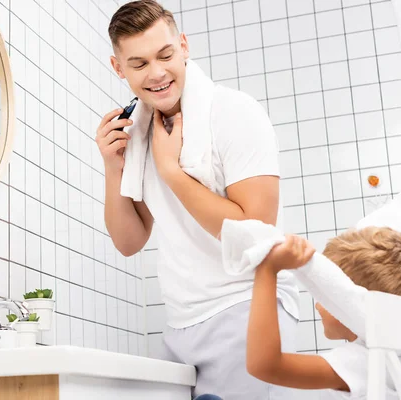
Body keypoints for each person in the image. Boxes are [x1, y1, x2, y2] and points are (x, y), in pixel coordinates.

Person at [96, 1, 300, 398]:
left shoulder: (234, 113)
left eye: (166, 55)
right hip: (180, 324)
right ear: (118, 68)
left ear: (184, 46)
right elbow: (129, 241)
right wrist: (112, 167)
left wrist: (172, 172)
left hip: (247, 307)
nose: (156, 74)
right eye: (138, 64)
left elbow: (253, 230)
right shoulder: (138, 129)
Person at [247, 227, 401, 398]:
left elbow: (266, 365)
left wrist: (267, 270)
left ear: (343, 299)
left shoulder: (364, 362)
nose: (318, 305)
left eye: (324, 295)